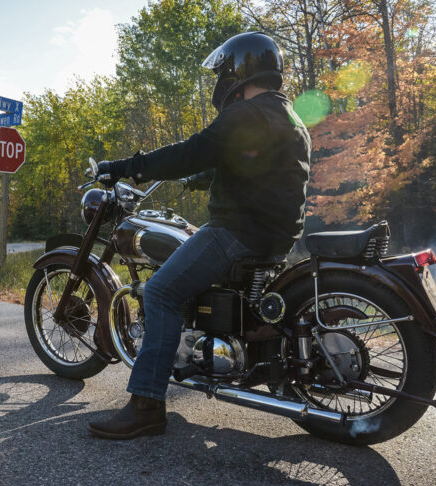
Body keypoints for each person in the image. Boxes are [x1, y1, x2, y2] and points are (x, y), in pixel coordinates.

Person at [87, 32, 311, 439]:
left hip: (238, 232)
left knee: (159, 293)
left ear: (236, 71)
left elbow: (189, 150)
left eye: (222, 72)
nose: (219, 81)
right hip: (276, 236)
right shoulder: (288, 116)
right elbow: (258, 163)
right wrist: (204, 177)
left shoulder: (245, 114)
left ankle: (146, 405)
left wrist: (125, 166)